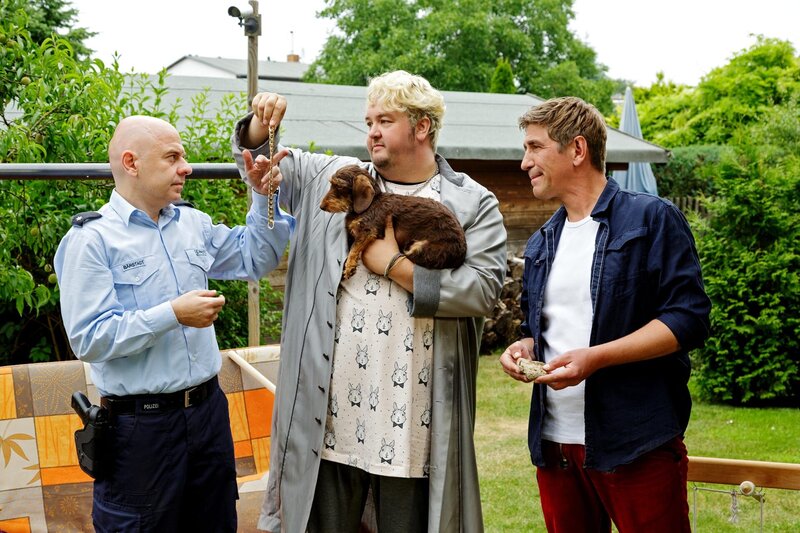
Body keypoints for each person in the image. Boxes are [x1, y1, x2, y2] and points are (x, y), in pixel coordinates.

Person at [232, 70, 507, 532]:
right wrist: (262, 123)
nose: (372, 132)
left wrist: (393, 265)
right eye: (369, 120)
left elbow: (483, 290)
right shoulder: (335, 179)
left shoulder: (471, 202)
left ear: (422, 127)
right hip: (330, 420)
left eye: (385, 120)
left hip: (414, 427)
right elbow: (261, 159)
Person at [54, 115, 294, 532]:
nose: (187, 167)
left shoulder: (191, 224)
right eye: (172, 157)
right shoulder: (91, 240)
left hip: (207, 416)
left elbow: (256, 258)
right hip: (139, 431)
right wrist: (172, 314)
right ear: (131, 163)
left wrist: (263, 198)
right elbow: (89, 339)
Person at [499, 96, 711, 532]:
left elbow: (688, 318)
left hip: (636, 441)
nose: (524, 162)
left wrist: (598, 358)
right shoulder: (541, 243)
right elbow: (536, 329)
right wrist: (522, 347)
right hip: (556, 446)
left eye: (535, 147)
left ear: (577, 150)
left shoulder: (651, 218)